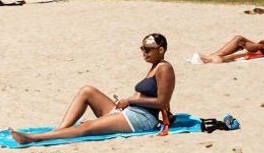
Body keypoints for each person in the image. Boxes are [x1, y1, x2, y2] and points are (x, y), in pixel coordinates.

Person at [9, 33, 175, 144]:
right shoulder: (154, 66)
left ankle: (34, 138)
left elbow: (162, 101)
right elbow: (145, 94)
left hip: (143, 119)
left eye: (148, 49)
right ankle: (59, 131)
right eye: (142, 48)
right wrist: (125, 103)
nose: (144, 53)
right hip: (130, 112)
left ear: (161, 49)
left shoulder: (164, 68)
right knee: (87, 90)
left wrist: (129, 100)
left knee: (86, 128)